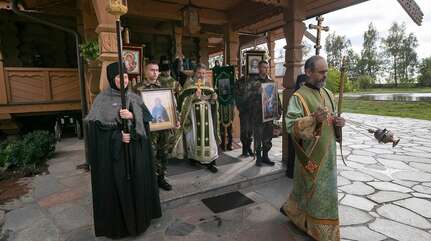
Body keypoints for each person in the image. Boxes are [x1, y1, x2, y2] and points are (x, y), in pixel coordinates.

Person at [85, 62, 161, 239]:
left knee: (137, 185)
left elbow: (147, 124)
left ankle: (140, 221)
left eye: (126, 76)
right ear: (112, 78)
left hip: (135, 155)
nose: (123, 80)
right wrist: (117, 137)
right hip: (115, 160)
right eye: (119, 77)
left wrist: (133, 117)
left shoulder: (134, 97)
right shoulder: (101, 100)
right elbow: (95, 134)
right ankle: (120, 227)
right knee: (119, 189)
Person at [280, 56, 345, 241]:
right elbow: (291, 126)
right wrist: (313, 119)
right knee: (312, 194)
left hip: (329, 156)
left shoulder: (329, 94)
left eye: (326, 71)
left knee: (325, 194)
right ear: (308, 72)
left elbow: (331, 123)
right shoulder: (298, 97)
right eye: (321, 72)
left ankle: (309, 222)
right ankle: (318, 231)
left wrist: (339, 123)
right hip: (310, 157)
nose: (325, 75)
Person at [134, 60, 175, 191]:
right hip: (148, 129)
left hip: (163, 127)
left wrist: (175, 118)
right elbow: (133, 108)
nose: (155, 72)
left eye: (157, 70)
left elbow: (172, 105)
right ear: (145, 71)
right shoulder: (138, 88)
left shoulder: (164, 86)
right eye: (152, 70)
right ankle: (150, 180)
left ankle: (161, 177)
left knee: (163, 153)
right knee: (149, 154)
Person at [177, 63, 220, 173]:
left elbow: (212, 97)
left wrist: (214, 98)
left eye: (203, 73)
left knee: (209, 136)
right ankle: (194, 158)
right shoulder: (189, 83)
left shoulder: (207, 82)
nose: (201, 75)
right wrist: (194, 97)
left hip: (206, 113)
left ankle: (210, 160)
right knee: (193, 136)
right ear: (194, 73)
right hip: (193, 114)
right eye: (199, 73)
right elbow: (182, 99)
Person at [248, 60, 281, 166]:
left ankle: (265, 156)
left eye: (267, 67)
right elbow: (247, 97)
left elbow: (276, 97)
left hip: (269, 115)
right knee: (258, 137)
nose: (266, 69)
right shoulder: (253, 82)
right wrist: (256, 93)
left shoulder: (271, 82)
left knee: (268, 137)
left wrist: (278, 111)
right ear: (259, 68)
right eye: (263, 67)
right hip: (257, 115)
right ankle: (258, 157)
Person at [286, 74, 308, 178]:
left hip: (305, 129)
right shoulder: (295, 97)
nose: (303, 86)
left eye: (305, 84)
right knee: (293, 152)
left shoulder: (307, 96)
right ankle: (291, 173)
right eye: (301, 84)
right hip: (295, 129)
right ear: (298, 84)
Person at [235, 65, 253, 157]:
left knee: (250, 131)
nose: (245, 72)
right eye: (243, 70)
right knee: (244, 131)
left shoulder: (253, 81)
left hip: (252, 110)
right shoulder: (239, 82)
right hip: (244, 111)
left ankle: (249, 147)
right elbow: (237, 96)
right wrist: (241, 108)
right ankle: (244, 149)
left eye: (246, 70)